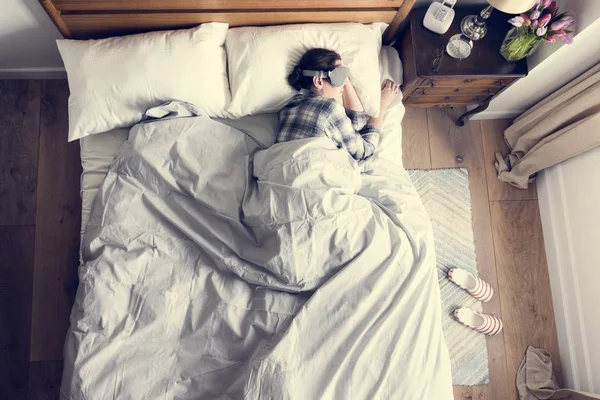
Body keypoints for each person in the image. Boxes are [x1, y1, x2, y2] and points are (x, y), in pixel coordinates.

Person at [277, 48, 399, 161]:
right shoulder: (328, 108)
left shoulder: (287, 109)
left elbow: (354, 127)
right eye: (340, 76)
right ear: (318, 81)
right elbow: (363, 151)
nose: (344, 83)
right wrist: (382, 105)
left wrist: (343, 78)